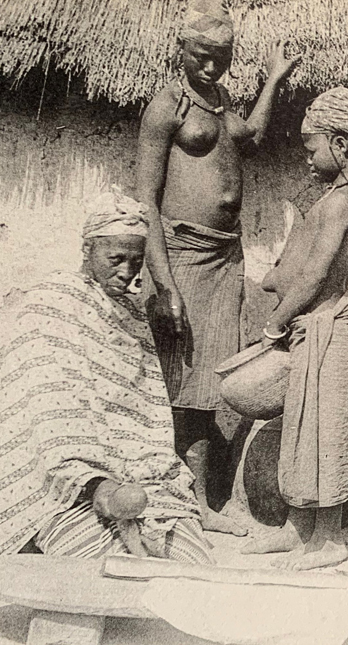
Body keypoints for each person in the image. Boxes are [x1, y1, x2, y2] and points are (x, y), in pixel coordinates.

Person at [134, 0, 299, 535]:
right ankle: (192, 504)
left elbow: (248, 137)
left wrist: (272, 80)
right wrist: (164, 284)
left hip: (226, 254)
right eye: (202, 56)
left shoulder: (221, 97)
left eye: (221, 58)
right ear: (181, 49)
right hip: (184, 258)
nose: (210, 67)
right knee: (185, 386)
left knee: (209, 385)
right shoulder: (166, 108)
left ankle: (201, 502)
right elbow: (146, 202)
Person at [0, 190, 213, 564]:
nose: (127, 271)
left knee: (192, 564)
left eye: (136, 261)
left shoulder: (131, 313)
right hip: (63, 478)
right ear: (87, 250)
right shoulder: (52, 299)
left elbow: (142, 404)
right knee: (101, 566)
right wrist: (93, 472)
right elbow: (44, 394)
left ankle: (128, 506)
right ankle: (102, 496)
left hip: (139, 468)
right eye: (115, 259)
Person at [240, 87, 348, 570]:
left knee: (328, 432)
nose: (306, 159)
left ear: (342, 146)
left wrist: (275, 323)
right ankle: (298, 530)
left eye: (312, 148)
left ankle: (331, 538)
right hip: (312, 326)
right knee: (301, 428)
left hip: (332, 327)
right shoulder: (335, 197)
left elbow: (319, 274)